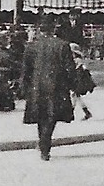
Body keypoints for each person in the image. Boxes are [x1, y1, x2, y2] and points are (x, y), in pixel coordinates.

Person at [20, 17, 77, 161]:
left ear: (40, 29)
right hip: (56, 86)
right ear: (54, 29)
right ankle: (45, 143)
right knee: (51, 117)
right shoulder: (63, 45)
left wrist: (24, 88)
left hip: (37, 87)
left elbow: (26, 70)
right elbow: (69, 69)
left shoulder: (31, 46)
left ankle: (43, 142)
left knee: (41, 116)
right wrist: (73, 85)